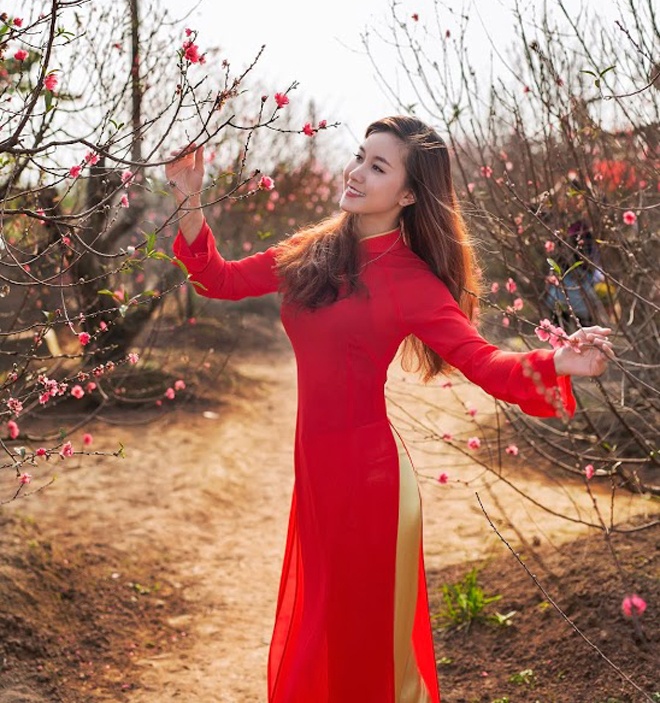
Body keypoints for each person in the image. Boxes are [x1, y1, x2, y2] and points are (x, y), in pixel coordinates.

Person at [166, 115, 612, 703]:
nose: (356, 173)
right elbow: (218, 280)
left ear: (408, 195)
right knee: (326, 631)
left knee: (361, 644)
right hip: (318, 475)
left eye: (378, 167)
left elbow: (484, 362)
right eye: (359, 157)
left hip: (369, 482)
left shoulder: (412, 281)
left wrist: (559, 362)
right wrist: (190, 200)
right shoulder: (310, 251)